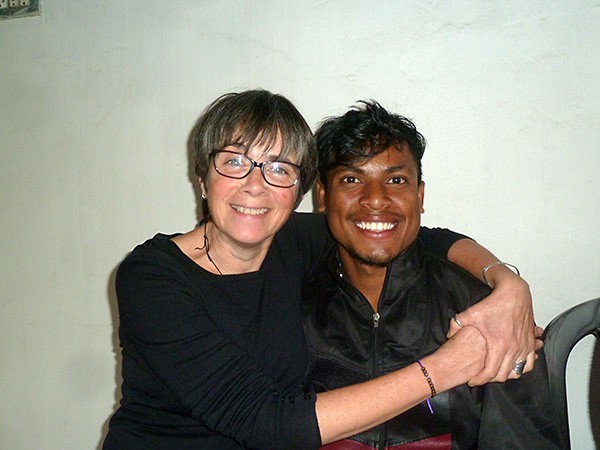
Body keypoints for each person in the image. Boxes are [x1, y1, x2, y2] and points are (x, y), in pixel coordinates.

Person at [103, 89, 534, 449]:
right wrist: (447, 367)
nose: (255, 186)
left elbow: (408, 232)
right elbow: (271, 425)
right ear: (202, 178)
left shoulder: (289, 242)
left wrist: (508, 285)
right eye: (234, 161)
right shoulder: (153, 277)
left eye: (279, 168)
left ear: (299, 192)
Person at [302, 100, 559, 449]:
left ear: (419, 196)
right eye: (351, 179)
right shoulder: (288, 303)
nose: (375, 199)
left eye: (396, 180)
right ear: (322, 196)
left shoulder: (486, 315)